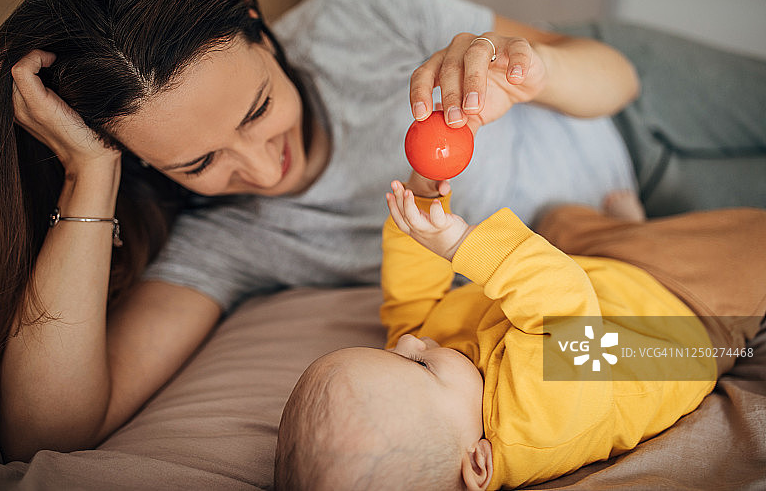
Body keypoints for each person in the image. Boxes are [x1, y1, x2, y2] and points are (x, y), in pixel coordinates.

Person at [0, 0, 759, 463]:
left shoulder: (354, 19)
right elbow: (48, 434)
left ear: (259, 27)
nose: (260, 167)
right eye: (198, 162)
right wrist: (90, 172)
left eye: (258, 108)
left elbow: (614, 81)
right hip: (645, 248)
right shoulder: (221, 242)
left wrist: (533, 68)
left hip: (618, 109)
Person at [273, 174, 766, 490]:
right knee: (752, 243)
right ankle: (639, 229)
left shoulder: (428, 378)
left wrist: (420, 213)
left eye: (386, 352)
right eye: (416, 363)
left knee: (558, 217)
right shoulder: (539, 422)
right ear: (479, 462)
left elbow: (409, 308)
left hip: (595, 271)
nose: (407, 341)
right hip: (683, 311)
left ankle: (631, 229)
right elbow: (566, 306)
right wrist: (462, 244)